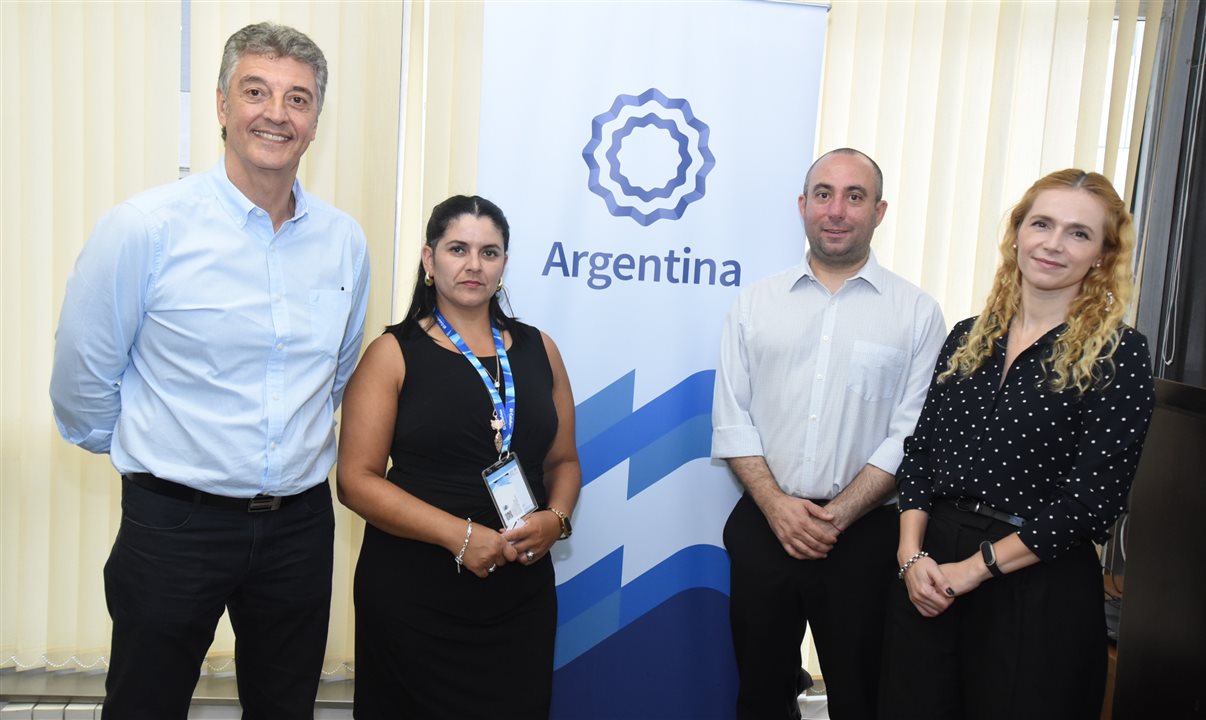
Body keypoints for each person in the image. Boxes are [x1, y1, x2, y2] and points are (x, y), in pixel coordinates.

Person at [48, 22, 369, 719]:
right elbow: (81, 381)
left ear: (316, 121)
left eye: (298, 99)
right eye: (256, 91)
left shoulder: (344, 242)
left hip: (299, 529)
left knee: (285, 709)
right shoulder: (145, 229)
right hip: (174, 526)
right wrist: (161, 457)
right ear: (222, 106)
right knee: (145, 706)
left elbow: (336, 372)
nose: (276, 114)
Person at [879, 169, 1156, 720]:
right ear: (1017, 235)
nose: (1054, 243)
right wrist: (911, 556)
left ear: (1103, 254)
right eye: (1042, 224)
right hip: (929, 571)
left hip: (1036, 581)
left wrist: (973, 569)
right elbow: (921, 457)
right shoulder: (966, 336)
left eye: (1079, 233)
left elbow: (1091, 501)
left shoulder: (1120, 356)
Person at [712, 148, 947, 719]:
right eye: (823, 194)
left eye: (855, 196)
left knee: (862, 695)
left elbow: (911, 433)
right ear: (803, 206)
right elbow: (732, 418)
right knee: (762, 695)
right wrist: (776, 505)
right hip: (767, 527)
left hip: (865, 539)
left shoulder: (917, 314)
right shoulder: (754, 304)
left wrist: (837, 515)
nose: (836, 210)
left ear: (880, 211)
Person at [336, 195, 581, 719]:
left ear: (504, 265)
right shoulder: (392, 353)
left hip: (520, 593)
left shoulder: (542, 350)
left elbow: (563, 462)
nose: (474, 265)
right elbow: (356, 481)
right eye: (458, 249)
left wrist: (555, 519)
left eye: (489, 252)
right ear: (429, 260)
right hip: (414, 594)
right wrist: (461, 537)